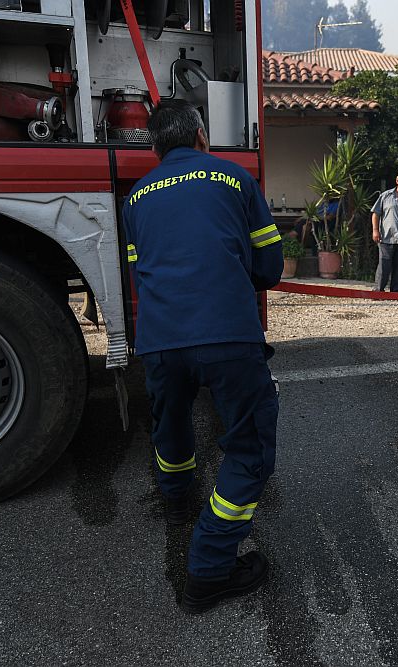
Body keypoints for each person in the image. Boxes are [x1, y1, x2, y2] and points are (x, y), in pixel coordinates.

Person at [121, 99, 283, 612]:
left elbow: (138, 272)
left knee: (171, 427)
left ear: (154, 148)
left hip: (160, 340)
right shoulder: (235, 179)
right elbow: (270, 266)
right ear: (201, 136)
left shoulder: (135, 198)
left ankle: (176, 502)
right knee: (249, 447)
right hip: (228, 335)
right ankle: (210, 568)